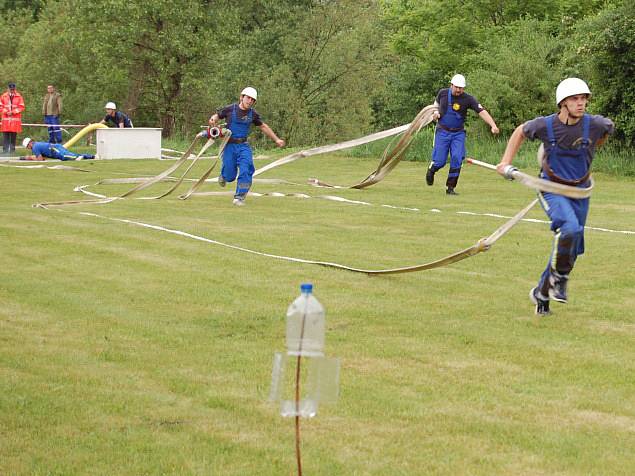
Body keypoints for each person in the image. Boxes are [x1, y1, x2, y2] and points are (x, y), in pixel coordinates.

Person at [496, 78, 614, 315]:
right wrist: (505, 163)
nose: (580, 104)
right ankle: (559, 279)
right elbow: (520, 131)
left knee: (571, 246)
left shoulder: (596, 124)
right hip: (551, 188)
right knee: (568, 229)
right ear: (563, 103)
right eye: (574, 99)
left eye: (583, 99)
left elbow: (604, 134)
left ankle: (541, 293)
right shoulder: (545, 125)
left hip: (580, 191)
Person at [207, 86, 285, 206]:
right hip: (229, 146)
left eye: (253, 100)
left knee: (247, 169)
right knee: (230, 176)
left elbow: (263, 126)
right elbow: (216, 116)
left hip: (243, 146)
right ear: (241, 97)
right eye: (248, 98)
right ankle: (224, 175)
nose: (250, 101)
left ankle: (239, 197)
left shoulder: (253, 114)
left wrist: (277, 140)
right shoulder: (229, 109)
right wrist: (213, 119)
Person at [426, 74, 499, 195]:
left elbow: (481, 111)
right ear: (451, 85)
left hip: (458, 134)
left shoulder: (468, 99)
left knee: (457, 158)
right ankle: (432, 170)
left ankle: (450, 188)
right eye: (457, 87)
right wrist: (435, 113)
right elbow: (435, 106)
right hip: (442, 132)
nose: (459, 90)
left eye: (461, 88)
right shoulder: (442, 93)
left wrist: (493, 125)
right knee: (440, 161)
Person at [0, 82, 25, 155]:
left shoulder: (19, 97)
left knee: (13, 136)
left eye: (13, 89)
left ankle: (12, 150)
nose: (12, 90)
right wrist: (6, 111)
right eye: (10, 89)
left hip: (15, 120)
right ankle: (5, 151)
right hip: (6, 120)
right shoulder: (3, 96)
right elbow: (0, 106)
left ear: (15, 89)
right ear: (8, 89)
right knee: (5, 136)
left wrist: (13, 112)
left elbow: (22, 107)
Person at [20, 137, 95, 161]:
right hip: (56, 148)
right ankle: (91, 156)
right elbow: (43, 158)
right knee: (72, 155)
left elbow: (40, 159)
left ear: (29, 144)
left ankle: (84, 157)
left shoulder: (35, 147)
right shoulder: (37, 145)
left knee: (68, 157)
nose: (28, 148)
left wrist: (29, 158)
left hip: (55, 150)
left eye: (27, 147)